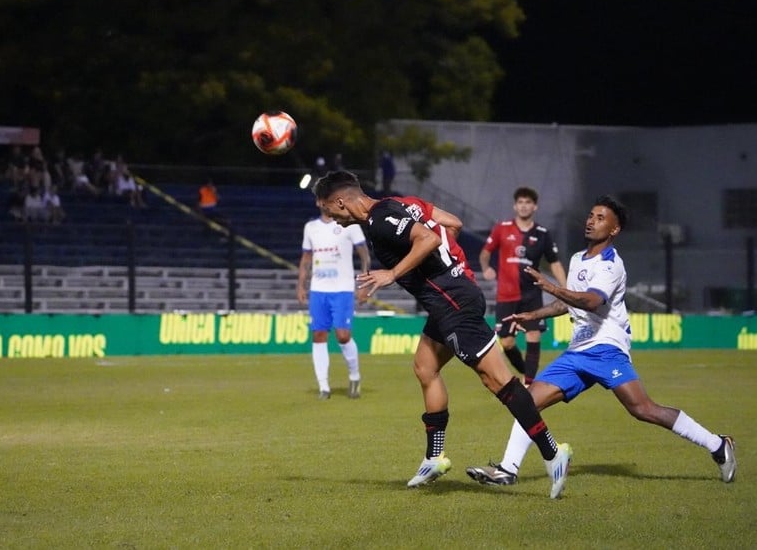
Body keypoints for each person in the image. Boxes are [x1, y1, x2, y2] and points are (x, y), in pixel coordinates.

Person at [312, 170, 572, 497]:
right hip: (447, 300)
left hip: (454, 303)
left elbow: (430, 238)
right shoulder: (397, 205)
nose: (332, 219)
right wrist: (449, 266)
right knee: (425, 367)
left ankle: (553, 453)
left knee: (499, 382)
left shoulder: (380, 219)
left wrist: (393, 273)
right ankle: (434, 458)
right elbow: (452, 224)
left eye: (330, 210)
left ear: (341, 201)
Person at [466, 195, 737, 488]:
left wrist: (551, 287)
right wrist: (533, 313)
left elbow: (592, 301)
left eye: (600, 218)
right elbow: (568, 304)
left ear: (614, 230)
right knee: (526, 403)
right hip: (577, 351)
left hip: (607, 348)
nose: (591, 221)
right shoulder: (577, 259)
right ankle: (508, 469)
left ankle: (717, 445)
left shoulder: (611, 264)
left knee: (643, 409)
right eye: (591, 215)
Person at [480, 186, 567, 384]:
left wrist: (564, 289)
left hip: (531, 295)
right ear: (515, 206)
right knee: (507, 342)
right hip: (506, 295)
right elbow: (485, 252)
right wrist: (486, 268)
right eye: (520, 202)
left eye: (528, 202)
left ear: (534, 207)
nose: (524, 206)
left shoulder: (542, 234)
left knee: (533, 335)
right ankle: (527, 374)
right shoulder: (502, 228)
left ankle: (529, 383)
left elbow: (554, 262)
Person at [297, 204, 371, 400]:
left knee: (343, 335)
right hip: (318, 290)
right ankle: (324, 387)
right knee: (319, 335)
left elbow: (364, 254)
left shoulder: (350, 225)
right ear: (318, 203)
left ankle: (354, 376)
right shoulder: (311, 227)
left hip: (343, 289)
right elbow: (306, 258)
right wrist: (301, 285)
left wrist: (364, 283)